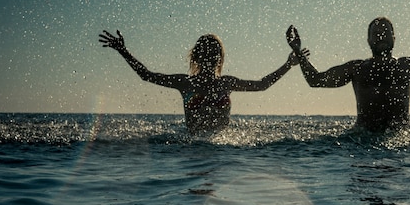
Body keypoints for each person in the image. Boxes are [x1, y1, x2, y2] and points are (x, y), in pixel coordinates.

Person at [99, 30, 308, 133]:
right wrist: (123, 51)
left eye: (214, 54)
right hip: (192, 148)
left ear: (220, 58)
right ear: (197, 58)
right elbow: (147, 75)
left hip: (219, 150)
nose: (210, 58)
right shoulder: (186, 82)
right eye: (207, 54)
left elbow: (262, 85)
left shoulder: (226, 83)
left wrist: (288, 65)